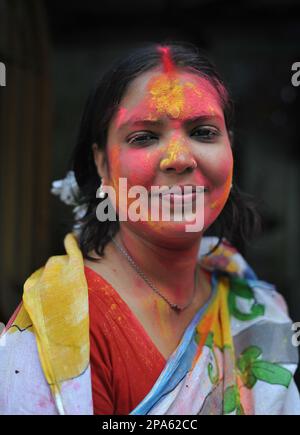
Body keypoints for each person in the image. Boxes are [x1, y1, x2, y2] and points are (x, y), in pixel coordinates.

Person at [0, 42, 299, 415]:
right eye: (143, 137)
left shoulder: (253, 305)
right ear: (101, 165)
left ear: (231, 150)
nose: (179, 158)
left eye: (204, 132)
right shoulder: (60, 326)